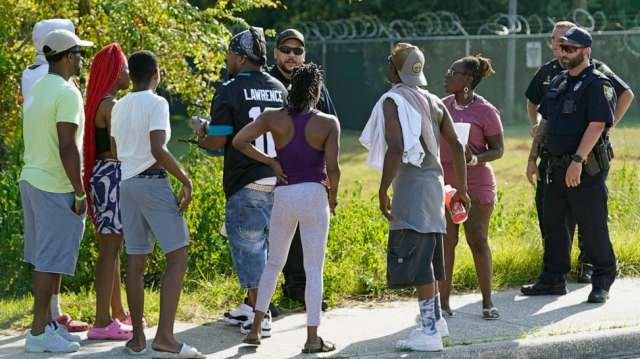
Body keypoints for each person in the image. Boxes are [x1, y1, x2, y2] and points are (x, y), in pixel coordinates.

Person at [361, 43, 469, 351]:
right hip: (435, 187)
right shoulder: (434, 100)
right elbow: (457, 147)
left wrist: (383, 190)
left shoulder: (392, 100)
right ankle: (437, 322)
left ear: (394, 71)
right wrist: (460, 190)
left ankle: (430, 333)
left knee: (419, 261)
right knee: (431, 258)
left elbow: (395, 148)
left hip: (412, 190)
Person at [235, 63, 340, 353]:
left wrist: (270, 161)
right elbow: (334, 168)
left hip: (283, 194)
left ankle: (255, 328)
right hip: (314, 194)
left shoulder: (273, 117)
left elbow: (239, 140)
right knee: (313, 268)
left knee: (273, 262)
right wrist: (333, 199)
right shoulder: (329, 123)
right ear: (317, 92)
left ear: (291, 89)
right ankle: (312, 338)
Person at [525, 21, 633, 283]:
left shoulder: (598, 82)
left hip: (584, 167)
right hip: (554, 167)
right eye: (560, 47)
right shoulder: (558, 80)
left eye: (569, 48)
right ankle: (552, 280)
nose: (563, 52)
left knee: (592, 226)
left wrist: (577, 160)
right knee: (554, 228)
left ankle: (602, 279)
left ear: (585, 51)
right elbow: (546, 121)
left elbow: (598, 124)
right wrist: (532, 158)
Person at [110, 50, 202, 357]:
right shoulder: (157, 102)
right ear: (156, 74)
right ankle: (165, 337)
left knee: (135, 263)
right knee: (177, 256)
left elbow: (115, 149)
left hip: (126, 185)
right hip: (153, 185)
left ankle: (137, 340)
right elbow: (158, 149)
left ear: (131, 76)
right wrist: (185, 179)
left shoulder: (119, 106)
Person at [198, 27, 288, 335]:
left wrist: (202, 136)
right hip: (280, 181)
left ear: (239, 57)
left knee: (249, 252)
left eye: (227, 55)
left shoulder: (229, 89)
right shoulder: (280, 88)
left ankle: (259, 319)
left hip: (247, 181)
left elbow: (217, 141)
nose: (225, 61)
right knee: (263, 248)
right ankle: (250, 307)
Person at [20, 29, 93, 353]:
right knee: (49, 261)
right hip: (54, 183)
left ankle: (47, 325)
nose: (81, 59)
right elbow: (67, 147)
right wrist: (79, 193)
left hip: (31, 178)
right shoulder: (67, 92)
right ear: (67, 57)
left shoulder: (37, 89)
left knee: (44, 258)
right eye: (79, 53)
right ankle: (37, 333)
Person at [268, 28, 338, 310]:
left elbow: (331, 124)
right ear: (275, 53)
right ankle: (256, 300)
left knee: (303, 236)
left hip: (307, 175)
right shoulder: (267, 82)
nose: (292, 56)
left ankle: (299, 290)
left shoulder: (314, 84)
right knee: (266, 238)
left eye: (298, 51)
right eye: (286, 49)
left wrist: (330, 179)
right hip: (269, 173)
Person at [438, 55, 504, 320]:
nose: (446, 75)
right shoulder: (440, 106)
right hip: (444, 184)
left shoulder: (487, 111)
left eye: (452, 72)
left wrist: (474, 158)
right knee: (446, 243)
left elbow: (498, 150)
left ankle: (487, 302)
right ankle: (443, 303)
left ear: (467, 80)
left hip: (477, 184)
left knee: (477, 241)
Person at [83, 43, 139, 340]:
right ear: (116, 74)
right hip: (112, 176)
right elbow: (121, 150)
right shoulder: (111, 106)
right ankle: (102, 320)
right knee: (110, 249)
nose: (129, 74)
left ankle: (116, 313)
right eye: (126, 68)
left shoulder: (97, 102)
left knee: (111, 248)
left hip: (101, 176)